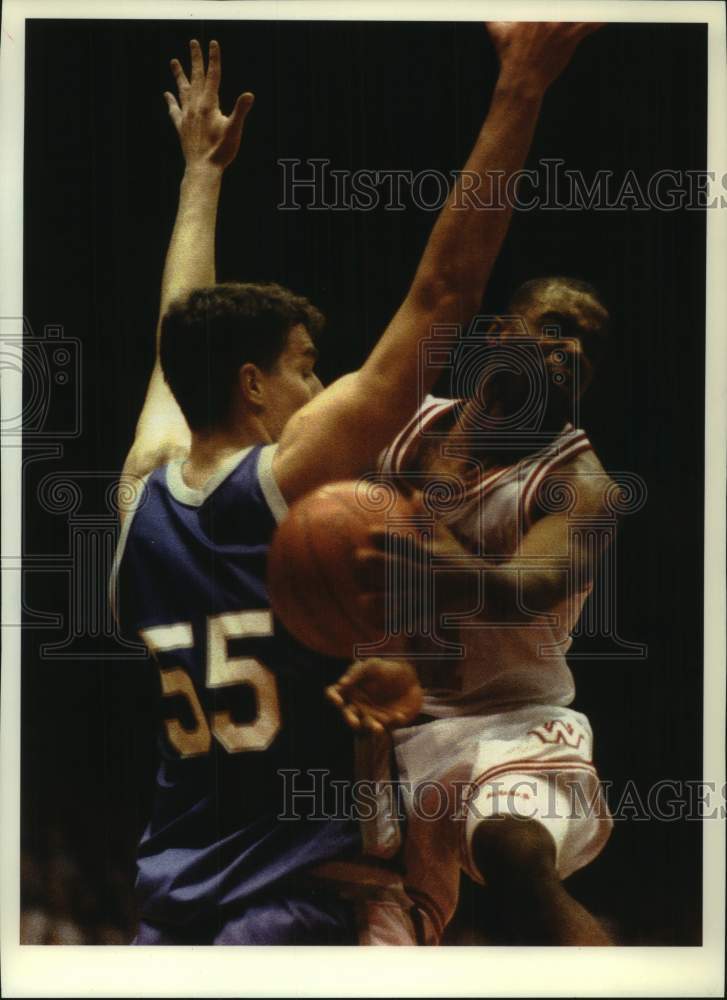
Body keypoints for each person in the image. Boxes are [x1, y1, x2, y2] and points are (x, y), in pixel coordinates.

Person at [110, 24, 586, 944]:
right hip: (308, 902)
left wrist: (200, 178)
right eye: (305, 367)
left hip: (171, 916)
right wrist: (521, 85)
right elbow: (444, 294)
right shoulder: (284, 485)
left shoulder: (139, 496)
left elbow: (182, 337)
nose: (321, 387)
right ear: (253, 386)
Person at [340, 272, 616, 944]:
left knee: (513, 851)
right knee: (386, 938)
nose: (573, 351)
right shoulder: (406, 424)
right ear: (497, 336)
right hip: (387, 731)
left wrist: (418, 520)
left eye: (587, 344)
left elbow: (519, 588)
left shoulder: (581, 485)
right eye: (555, 329)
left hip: (514, 724)